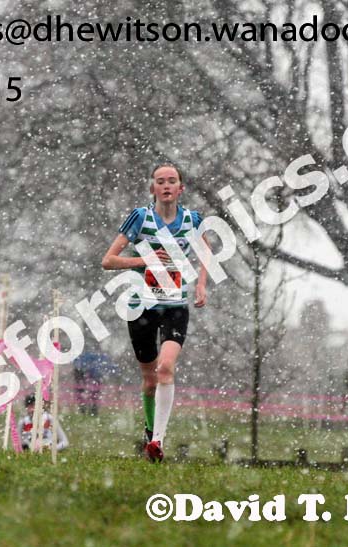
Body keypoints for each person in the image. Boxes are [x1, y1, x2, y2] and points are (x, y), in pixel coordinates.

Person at [101, 162, 208, 463]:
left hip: (175, 307)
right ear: (153, 188)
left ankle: (158, 440)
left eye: (171, 181)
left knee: (166, 368)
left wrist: (201, 283)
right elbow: (108, 260)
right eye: (160, 181)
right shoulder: (140, 218)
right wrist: (144, 259)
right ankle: (151, 431)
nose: (166, 186)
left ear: (180, 188)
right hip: (141, 307)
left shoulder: (192, 219)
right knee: (149, 379)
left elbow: (205, 250)